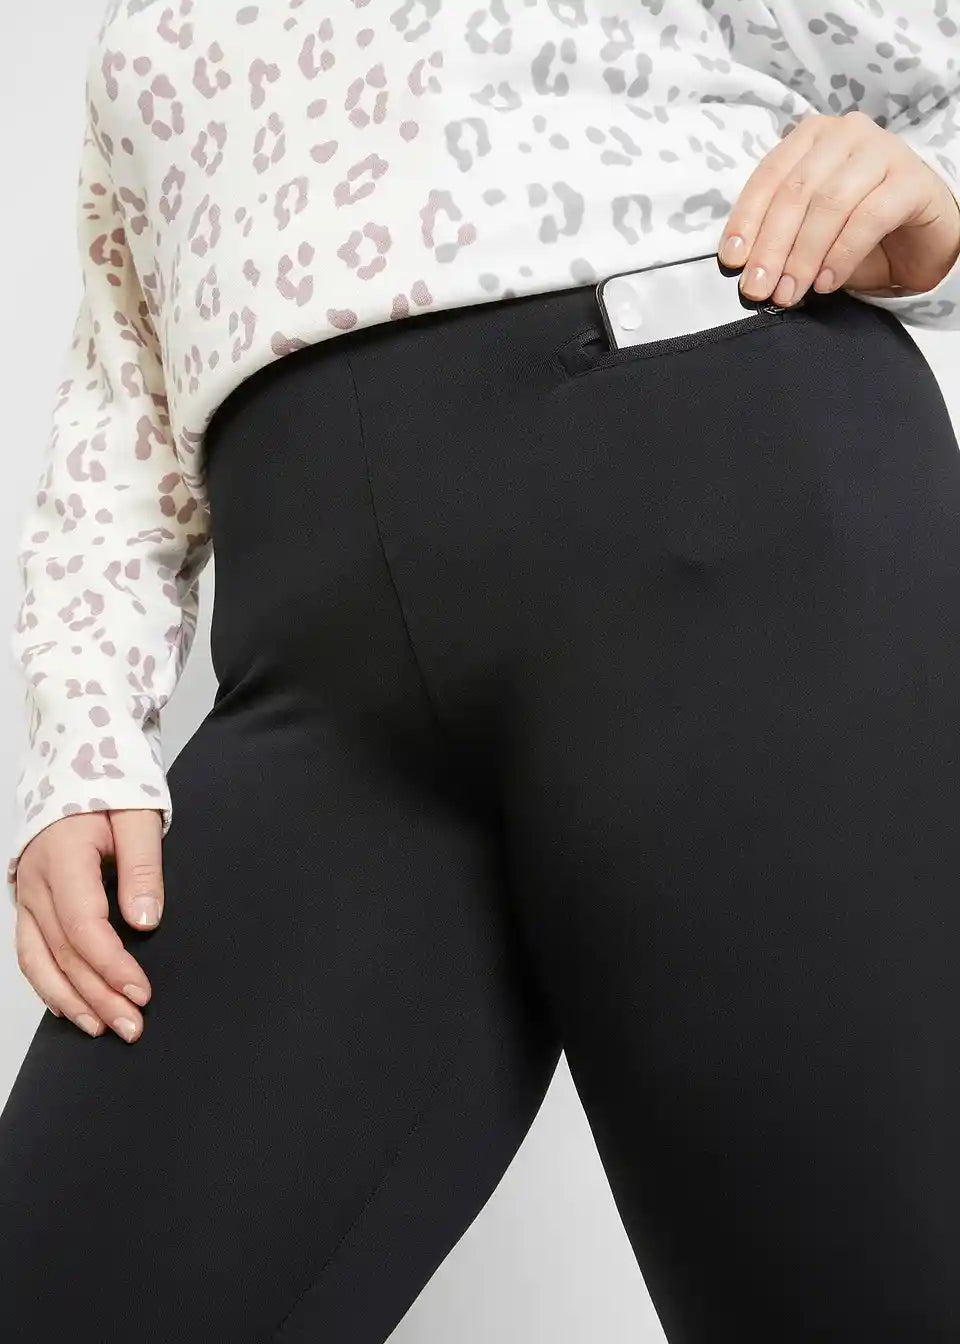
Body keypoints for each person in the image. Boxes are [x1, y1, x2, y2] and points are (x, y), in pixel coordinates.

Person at [2, 1, 959, 1339]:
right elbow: (125, 389)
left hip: (723, 528)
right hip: (319, 679)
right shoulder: (143, 28)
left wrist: (939, 197)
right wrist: (80, 737)